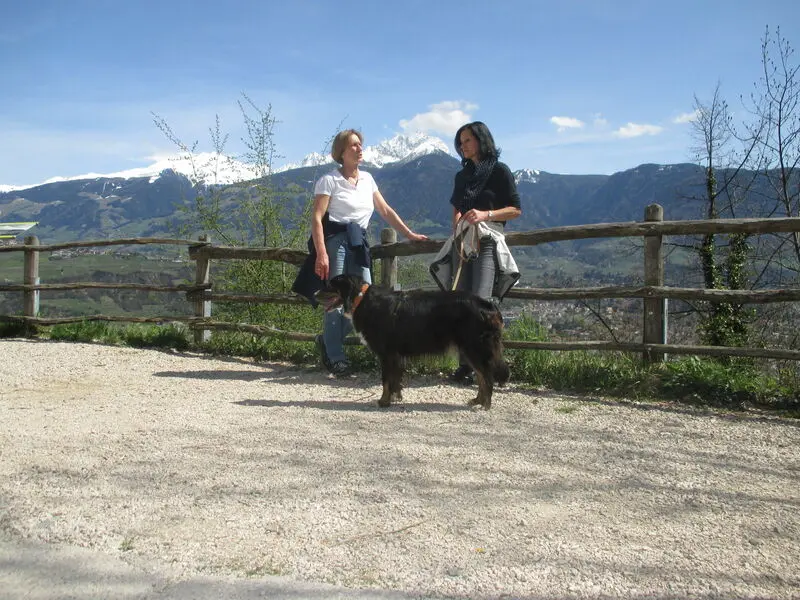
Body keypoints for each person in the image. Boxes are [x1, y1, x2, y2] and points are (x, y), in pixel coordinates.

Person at [306, 129, 428, 376]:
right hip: (336, 242)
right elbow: (317, 218)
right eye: (353, 145)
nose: (360, 149)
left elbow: (385, 210)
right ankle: (335, 357)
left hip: (359, 242)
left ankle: (328, 343)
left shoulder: (368, 179)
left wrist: (409, 234)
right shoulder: (329, 180)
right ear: (341, 151)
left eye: (360, 145)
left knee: (366, 300)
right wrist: (322, 253)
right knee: (335, 300)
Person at [430, 121, 522, 385]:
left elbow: (515, 210)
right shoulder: (462, 176)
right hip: (464, 241)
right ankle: (467, 367)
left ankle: (491, 366)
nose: (462, 146)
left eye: (467, 140)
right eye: (460, 142)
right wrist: (458, 232)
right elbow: (457, 208)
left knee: (481, 303)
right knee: (462, 304)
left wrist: (486, 214)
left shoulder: (500, 171)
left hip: (488, 240)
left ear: (481, 140)